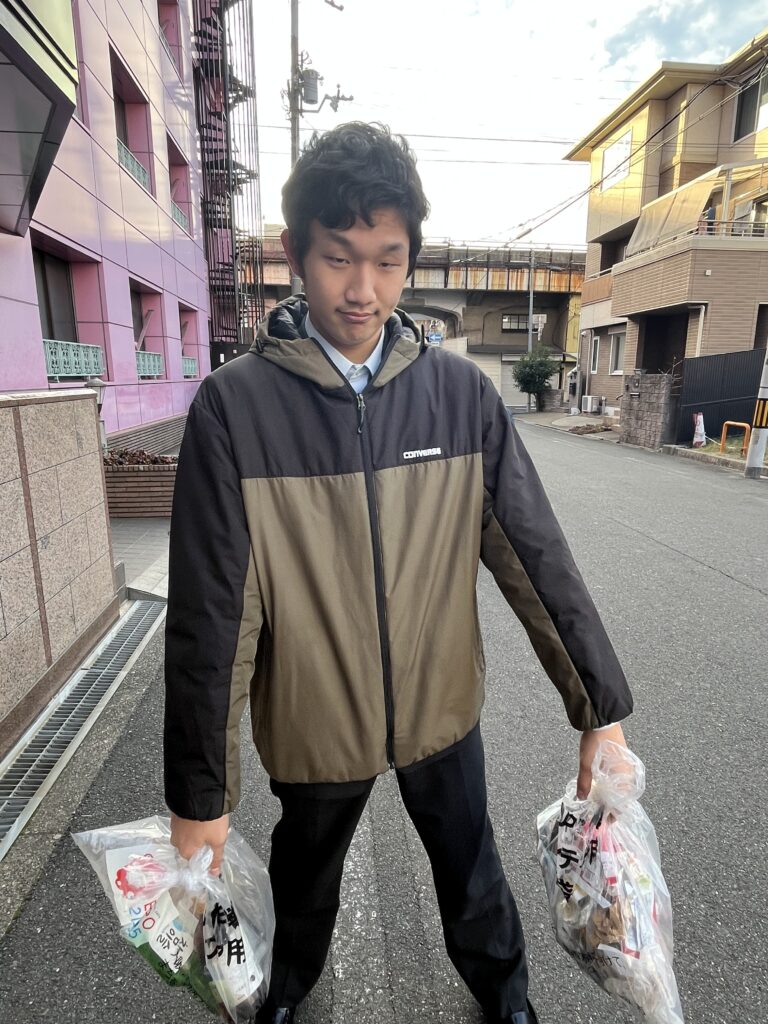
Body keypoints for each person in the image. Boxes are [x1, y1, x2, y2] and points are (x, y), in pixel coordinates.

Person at [164, 122, 634, 1024]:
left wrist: (599, 710)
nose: (364, 289)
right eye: (339, 258)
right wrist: (200, 797)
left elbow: (538, 558)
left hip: (440, 707)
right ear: (296, 254)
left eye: (388, 261)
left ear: (410, 257)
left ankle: (508, 1001)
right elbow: (212, 615)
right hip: (312, 717)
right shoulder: (234, 409)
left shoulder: (461, 397)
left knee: (472, 873)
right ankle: (281, 996)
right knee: (304, 883)